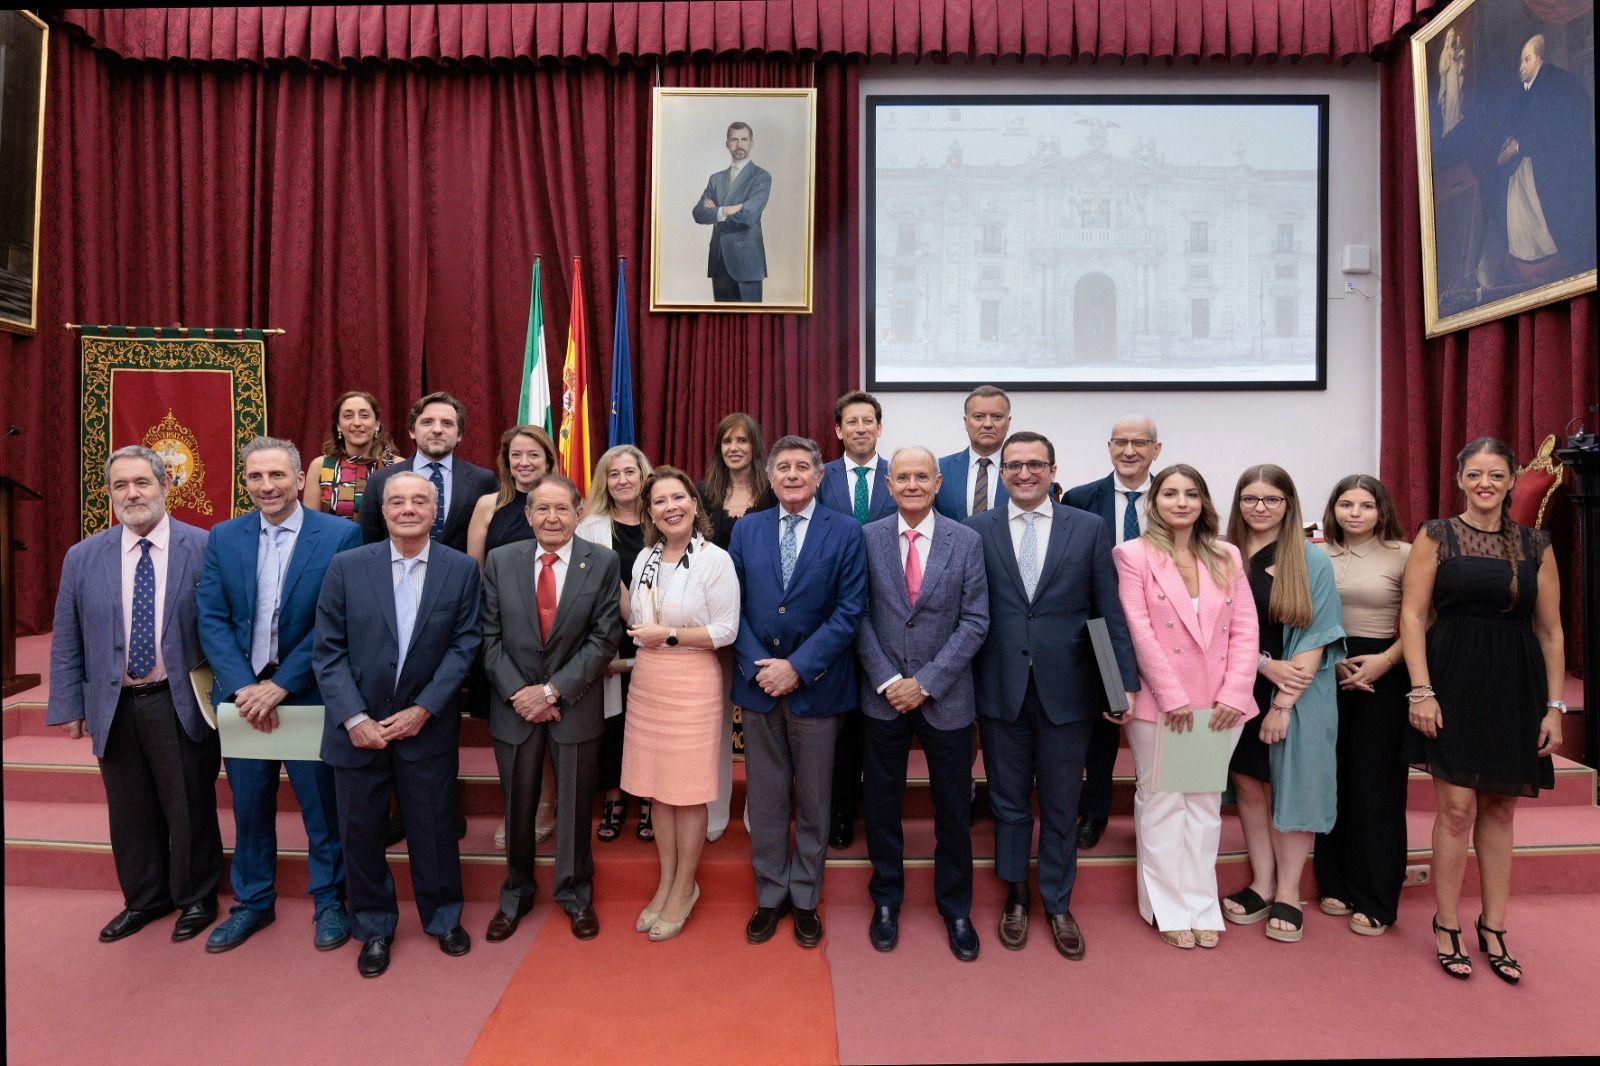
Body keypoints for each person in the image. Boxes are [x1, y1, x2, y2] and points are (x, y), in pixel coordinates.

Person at [967, 431, 1138, 961]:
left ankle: (1058, 902)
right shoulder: (976, 529)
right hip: (1000, 690)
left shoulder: (1087, 528)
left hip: (1069, 691)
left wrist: (1118, 684)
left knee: (1063, 805)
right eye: (1014, 465)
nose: (1025, 473)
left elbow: (1106, 612)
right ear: (1002, 473)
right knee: (1009, 802)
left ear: (1052, 470)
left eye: (1035, 464)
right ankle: (1016, 896)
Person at [1401, 438, 1565, 983]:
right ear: (1460, 479)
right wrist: (1421, 691)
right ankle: (1446, 923)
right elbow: (1413, 616)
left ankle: (1493, 926)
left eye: (1496, 475)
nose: (1485, 484)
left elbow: (1550, 631)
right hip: (1451, 680)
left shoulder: (1536, 543)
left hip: (1515, 686)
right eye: (1475, 474)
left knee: (1501, 808)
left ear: (1512, 479)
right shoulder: (1435, 535)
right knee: (1455, 810)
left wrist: (1554, 707)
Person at [47, 445, 221, 944]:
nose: (132, 494)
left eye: (142, 482)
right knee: (129, 810)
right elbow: (67, 636)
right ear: (108, 493)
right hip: (114, 702)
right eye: (120, 485)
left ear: (165, 485)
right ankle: (144, 899)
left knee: (188, 804)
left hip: (178, 699)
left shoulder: (205, 547)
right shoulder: (82, 557)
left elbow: (224, 626)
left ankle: (196, 896)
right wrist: (69, 704)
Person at [196, 437, 362, 953]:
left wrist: (281, 684)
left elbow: (335, 621)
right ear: (245, 481)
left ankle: (329, 901)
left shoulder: (340, 535)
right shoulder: (224, 536)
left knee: (321, 808)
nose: (266, 486)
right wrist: (246, 687)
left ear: (298, 479)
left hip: (308, 692)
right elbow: (212, 618)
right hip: (243, 697)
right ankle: (252, 902)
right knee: (248, 806)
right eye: (255, 476)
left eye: (276, 475)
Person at [313, 472, 481, 977]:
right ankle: (373, 927)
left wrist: (425, 708)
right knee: (361, 833)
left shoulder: (461, 569)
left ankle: (443, 917)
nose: (408, 508)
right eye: (397, 501)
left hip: (425, 726)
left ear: (435, 512)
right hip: (357, 730)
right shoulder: (346, 566)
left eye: (419, 501)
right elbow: (328, 650)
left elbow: (464, 645)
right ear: (383, 511)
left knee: (433, 829)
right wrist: (354, 717)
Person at [1112, 464, 1258, 950]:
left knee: (1203, 806)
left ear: (1203, 502)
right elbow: (1138, 630)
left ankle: (1200, 905)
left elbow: (1245, 629)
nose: (1181, 502)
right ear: (1154, 502)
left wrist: (1235, 692)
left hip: (1220, 706)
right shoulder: (1133, 554)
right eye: (1170, 493)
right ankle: (1169, 908)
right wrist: (1172, 695)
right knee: (1162, 804)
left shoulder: (1225, 554)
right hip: (1162, 705)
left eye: (1191, 494)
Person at [729, 435, 867, 948]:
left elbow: (850, 611)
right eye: (783, 467)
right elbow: (731, 605)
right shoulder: (747, 529)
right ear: (770, 477)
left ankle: (806, 897)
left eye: (802, 467)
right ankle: (770, 895)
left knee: (813, 801)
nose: (792, 475)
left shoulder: (846, 531)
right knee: (766, 800)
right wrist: (761, 668)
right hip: (759, 685)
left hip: (819, 688)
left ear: (819, 475)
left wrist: (798, 668)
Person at [856, 447, 989, 960]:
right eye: (902, 477)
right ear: (888, 485)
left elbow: (975, 620)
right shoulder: (866, 538)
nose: (911, 484)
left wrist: (926, 682)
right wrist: (890, 679)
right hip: (883, 696)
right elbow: (857, 615)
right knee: (881, 805)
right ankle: (886, 900)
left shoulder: (966, 540)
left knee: (953, 809)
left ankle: (955, 908)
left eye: (921, 476)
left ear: (937, 483)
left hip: (946, 697)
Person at [479, 474, 622, 945]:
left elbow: (604, 638)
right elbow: (488, 637)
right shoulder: (501, 561)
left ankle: (575, 894)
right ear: (527, 515)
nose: (552, 518)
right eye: (542, 509)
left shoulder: (602, 562)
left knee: (576, 807)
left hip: (574, 703)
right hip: (513, 705)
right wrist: (522, 693)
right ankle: (515, 895)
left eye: (562, 508)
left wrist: (552, 691)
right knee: (518, 806)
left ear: (578, 513)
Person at [1221, 465, 1344, 945]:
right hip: (1238, 687)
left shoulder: (1310, 560)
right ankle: (1262, 883)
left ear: (1288, 504)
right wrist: (1260, 666)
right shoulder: (1223, 553)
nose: (1260, 508)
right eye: (1250, 498)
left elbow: (1318, 635)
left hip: (1295, 691)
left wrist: (1284, 705)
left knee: (1290, 789)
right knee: (1249, 784)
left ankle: (1289, 892)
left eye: (1271, 499)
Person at [622, 467, 740, 940]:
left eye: (678, 498)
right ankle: (667, 882)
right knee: (657, 789)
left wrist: (668, 635)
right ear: (649, 512)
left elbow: (725, 630)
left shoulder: (715, 560)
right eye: (659, 501)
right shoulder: (645, 558)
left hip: (692, 680)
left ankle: (686, 886)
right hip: (649, 680)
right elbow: (638, 618)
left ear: (694, 503)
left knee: (687, 792)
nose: (670, 507)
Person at [1313, 475, 1411, 937]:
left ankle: (1376, 896)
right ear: (1333, 509)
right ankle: (1333, 880)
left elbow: (1425, 621)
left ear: (1381, 510)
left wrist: (1384, 662)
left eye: (1366, 505)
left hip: (1384, 671)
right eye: (1346, 504)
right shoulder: (1316, 553)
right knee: (1332, 777)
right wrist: (1330, 660)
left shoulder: (1404, 553)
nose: (1355, 513)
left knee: (1376, 783)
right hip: (1326, 668)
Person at [1062, 414, 1164, 851]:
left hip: (1163, 630)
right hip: (1101, 630)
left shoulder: (1174, 496)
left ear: (1156, 450)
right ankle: (1095, 812)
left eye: (1139, 443)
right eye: (1120, 442)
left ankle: (1158, 817)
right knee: (1103, 730)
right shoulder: (1081, 498)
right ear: (1109, 447)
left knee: (1163, 724)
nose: (1129, 451)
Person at [467, 424, 561, 849]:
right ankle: (516, 807)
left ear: (548, 460)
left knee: (548, 726)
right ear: (506, 462)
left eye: (533, 455)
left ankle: (545, 805)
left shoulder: (560, 503)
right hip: (502, 638)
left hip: (553, 635)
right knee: (510, 729)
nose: (524, 462)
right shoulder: (488, 505)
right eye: (516, 455)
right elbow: (475, 574)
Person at [817, 390, 895, 850]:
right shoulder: (819, 477)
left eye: (868, 421)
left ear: (879, 428)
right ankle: (841, 811)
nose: (861, 428)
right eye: (852, 421)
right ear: (838, 430)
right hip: (832, 618)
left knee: (879, 727)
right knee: (841, 728)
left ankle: (878, 810)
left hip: (890, 618)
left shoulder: (901, 475)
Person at [698, 412, 776, 841]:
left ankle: (755, 810)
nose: (734, 448)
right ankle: (714, 809)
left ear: (755, 446)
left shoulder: (773, 493)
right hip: (709, 625)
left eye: (742, 441)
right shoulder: (702, 494)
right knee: (714, 723)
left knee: (759, 726)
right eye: (727, 441)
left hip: (758, 625)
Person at [575, 445, 653, 843]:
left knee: (653, 724)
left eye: (630, 472)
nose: (623, 480)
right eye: (613, 474)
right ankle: (614, 797)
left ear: (643, 476)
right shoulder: (589, 527)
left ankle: (651, 799)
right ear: (603, 482)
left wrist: (645, 625)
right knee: (613, 723)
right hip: (607, 638)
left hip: (658, 637)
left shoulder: (663, 518)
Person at [1497, 34, 1597, 280]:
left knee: (1547, 222)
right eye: (1520, 61)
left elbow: (1560, 129)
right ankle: (1531, 264)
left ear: (1540, 58)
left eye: (1527, 59)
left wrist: (1520, 145)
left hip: (1552, 166)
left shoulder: (1557, 85)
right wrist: (1510, 142)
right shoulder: (1523, 93)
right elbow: (1514, 123)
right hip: (1525, 166)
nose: (1522, 66)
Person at [359, 391, 497, 551]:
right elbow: (369, 544)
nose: (437, 430)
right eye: (427, 422)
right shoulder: (380, 480)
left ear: (459, 434)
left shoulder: (483, 481)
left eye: (447, 424)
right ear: (412, 431)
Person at [691, 121, 771, 303]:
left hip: (747, 264)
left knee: (750, 319)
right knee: (721, 318)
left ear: (751, 143)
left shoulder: (761, 177)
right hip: (719, 261)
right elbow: (698, 213)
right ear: (727, 143)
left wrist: (716, 213)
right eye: (734, 139)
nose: (739, 144)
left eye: (744, 139)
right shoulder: (716, 179)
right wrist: (727, 210)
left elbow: (748, 216)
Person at [302, 390, 402, 519]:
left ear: (377, 424)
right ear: (338, 426)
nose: (357, 423)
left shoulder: (397, 466)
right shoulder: (320, 466)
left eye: (364, 416)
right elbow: (311, 522)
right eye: (348, 416)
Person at [933, 385, 1012, 520]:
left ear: (1008, 422)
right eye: (979, 417)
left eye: (997, 417)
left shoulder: (1024, 472)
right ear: (966, 422)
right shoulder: (941, 468)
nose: (988, 424)